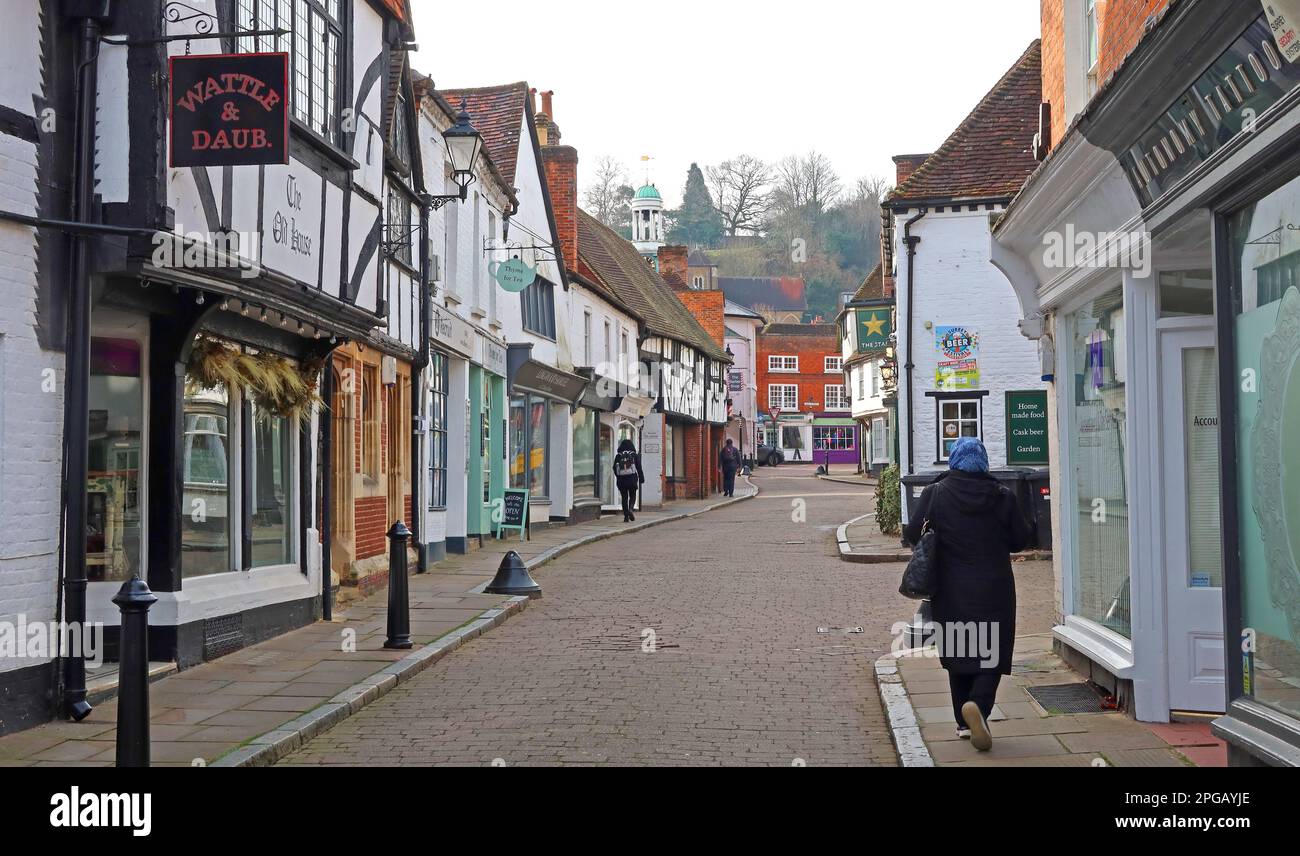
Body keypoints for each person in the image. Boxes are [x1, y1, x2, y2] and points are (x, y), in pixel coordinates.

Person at [902, 437, 1032, 752]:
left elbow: (911, 534)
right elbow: (1021, 539)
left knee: (959, 647)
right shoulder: (1002, 496)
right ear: (984, 462)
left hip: (950, 588)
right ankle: (978, 706)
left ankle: (963, 723)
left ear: (953, 460)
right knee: (993, 651)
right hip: (994, 588)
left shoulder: (935, 493)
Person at [613, 439, 644, 523]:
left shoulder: (618, 455)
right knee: (633, 495)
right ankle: (630, 509)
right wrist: (641, 478)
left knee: (624, 498)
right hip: (632, 479)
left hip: (622, 481)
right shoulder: (634, 455)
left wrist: (619, 476)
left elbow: (614, 468)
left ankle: (626, 516)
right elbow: (639, 468)